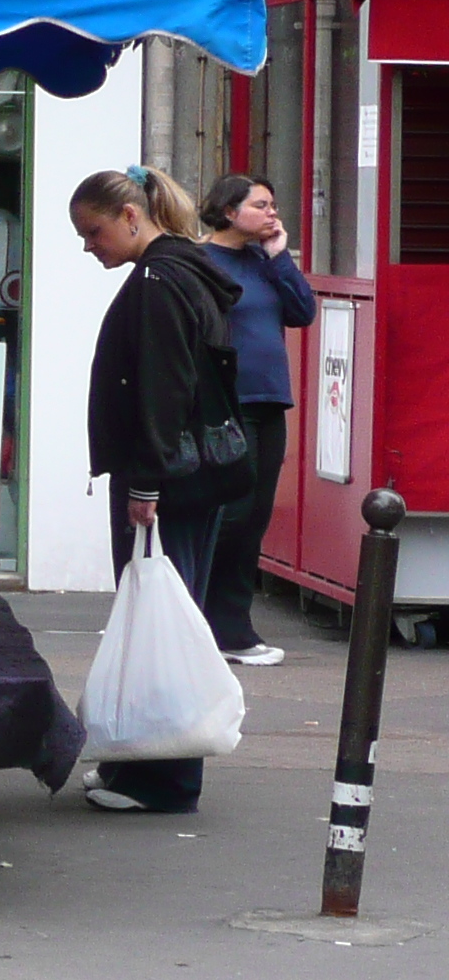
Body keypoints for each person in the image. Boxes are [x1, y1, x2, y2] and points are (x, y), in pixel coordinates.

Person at [71, 164, 242, 816]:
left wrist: (145, 483)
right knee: (163, 617)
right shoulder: (183, 271)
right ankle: (136, 764)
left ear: (132, 216)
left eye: (94, 231)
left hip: (165, 477)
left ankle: (162, 780)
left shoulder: (156, 282)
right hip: (193, 473)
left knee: (162, 622)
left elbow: (161, 390)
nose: (90, 246)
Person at [195, 174, 317, 667]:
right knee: (230, 512)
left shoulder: (264, 262)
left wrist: (281, 256)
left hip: (270, 401)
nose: (273, 213)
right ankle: (201, 621)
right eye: (261, 205)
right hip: (228, 403)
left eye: (273, 204)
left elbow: (303, 311)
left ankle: (234, 627)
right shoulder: (201, 260)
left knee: (255, 516)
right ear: (229, 211)